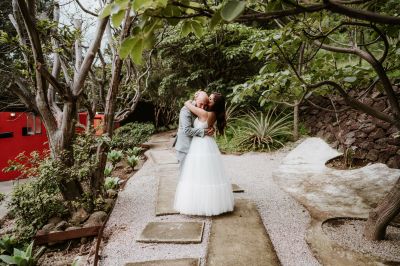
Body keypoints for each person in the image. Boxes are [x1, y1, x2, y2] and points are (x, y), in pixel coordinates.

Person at [174, 92, 234, 216]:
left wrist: (187, 102)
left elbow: (201, 115)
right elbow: (187, 129)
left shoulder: (205, 112)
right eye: (204, 102)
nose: (205, 105)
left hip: (200, 146)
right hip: (189, 146)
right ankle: (192, 202)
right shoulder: (191, 110)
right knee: (192, 176)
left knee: (199, 176)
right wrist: (206, 130)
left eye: (208, 101)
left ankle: (197, 204)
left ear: (213, 104)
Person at [173, 91, 214, 167]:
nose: (202, 107)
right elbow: (187, 130)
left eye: (205, 105)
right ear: (195, 99)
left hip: (196, 147)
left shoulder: (203, 109)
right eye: (201, 104)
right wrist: (204, 131)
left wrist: (211, 128)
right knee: (184, 174)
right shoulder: (185, 110)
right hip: (185, 147)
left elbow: (205, 122)